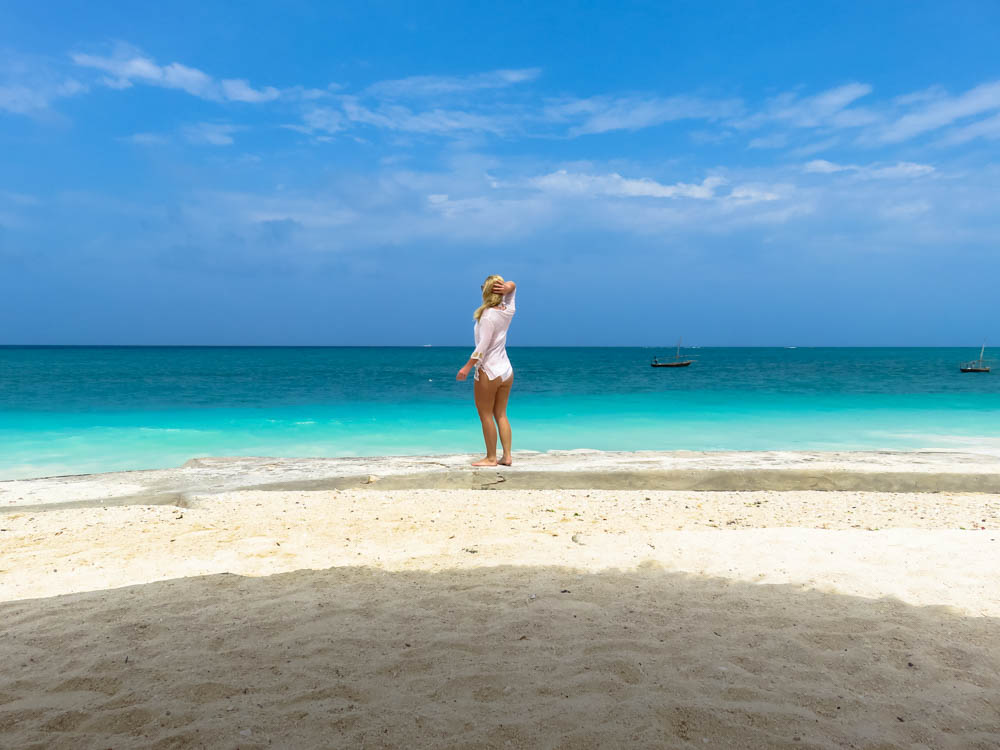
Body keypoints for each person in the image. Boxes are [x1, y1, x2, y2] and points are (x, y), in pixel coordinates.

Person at [456, 275, 517, 466]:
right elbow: (513, 287)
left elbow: (482, 346)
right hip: (506, 370)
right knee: (501, 413)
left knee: (485, 414)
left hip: (489, 370)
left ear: (487, 290)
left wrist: (466, 367)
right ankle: (506, 456)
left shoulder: (488, 316)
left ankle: (491, 458)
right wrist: (508, 287)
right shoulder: (508, 310)